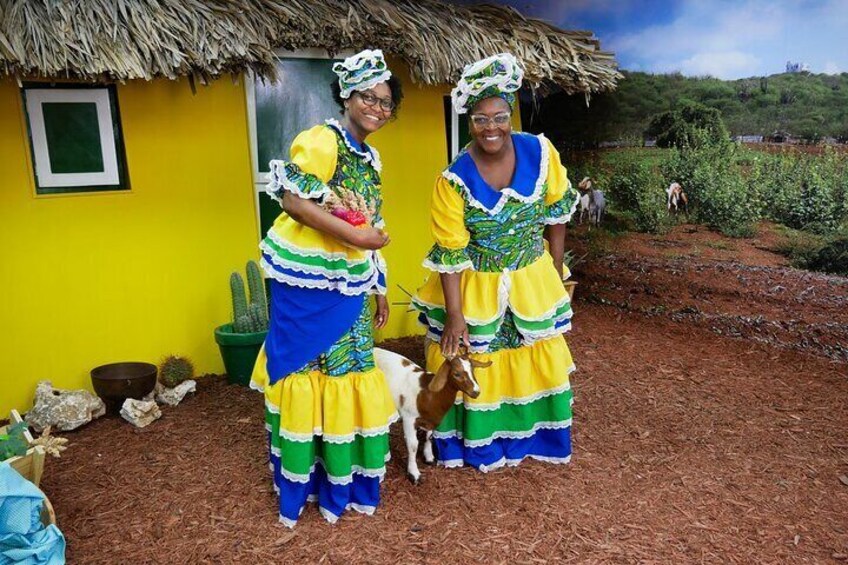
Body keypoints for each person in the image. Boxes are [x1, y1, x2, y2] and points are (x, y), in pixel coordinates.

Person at [250, 49, 403, 527]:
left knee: (347, 369)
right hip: (312, 280)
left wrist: (379, 281)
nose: (376, 108)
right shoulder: (323, 140)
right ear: (346, 96)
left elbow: (370, 219)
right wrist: (355, 236)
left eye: (385, 102)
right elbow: (293, 200)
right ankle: (306, 480)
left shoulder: (369, 155)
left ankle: (343, 477)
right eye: (367, 98)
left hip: (351, 281)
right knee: (310, 366)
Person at [411, 53, 579, 472]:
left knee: (533, 348)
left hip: (531, 272)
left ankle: (534, 436)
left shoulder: (540, 152)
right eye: (481, 119)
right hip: (476, 283)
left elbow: (556, 214)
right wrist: (454, 315)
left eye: (500, 116)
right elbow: (450, 255)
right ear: (469, 121)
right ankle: (478, 443)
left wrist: (555, 272)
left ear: (510, 115)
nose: (492, 128)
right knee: (476, 355)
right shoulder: (453, 179)